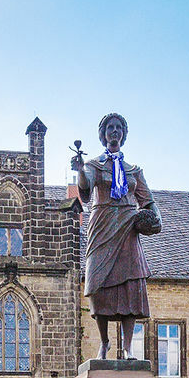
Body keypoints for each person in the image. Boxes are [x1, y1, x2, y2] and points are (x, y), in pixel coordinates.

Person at [71, 113, 162, 361]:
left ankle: (129, 348)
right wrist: (79, 170)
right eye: (110, 128)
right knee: (98, 285)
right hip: (102, 227)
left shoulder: (134, 170)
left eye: (118, 128)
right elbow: (86, 186)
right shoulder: (94, 165)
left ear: (123, 134)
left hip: (128, 229)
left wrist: (156, 219)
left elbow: (148, 201)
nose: (114, 131)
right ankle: (104, 343)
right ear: (103, 134)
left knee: (131, 286)